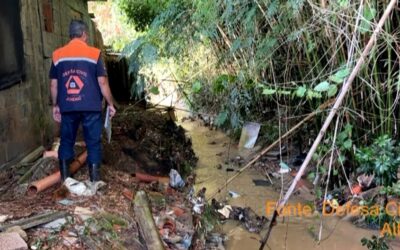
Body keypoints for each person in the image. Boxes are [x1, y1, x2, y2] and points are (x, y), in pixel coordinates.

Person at [49, 20, 116, 183]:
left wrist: (55, 105)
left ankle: (66, 180)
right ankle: (94, 181)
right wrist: (111, 103)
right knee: (93, 142)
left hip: (68, 106)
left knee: (66, 141)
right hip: (91, 107)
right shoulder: (94, 54)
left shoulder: (57, 55)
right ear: (84, 34)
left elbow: (53, 84)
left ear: (70, 35)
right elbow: (102, 82)